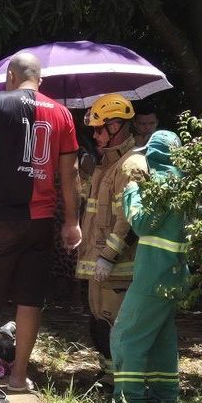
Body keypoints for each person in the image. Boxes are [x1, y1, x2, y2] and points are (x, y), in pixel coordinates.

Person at [0, 51, 82, 399]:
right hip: (39, 221)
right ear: (40, 80)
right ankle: (18, 377)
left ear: (11, 76)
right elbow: (69, 173)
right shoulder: (63, 114)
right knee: (29, 300)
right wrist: (71, 220)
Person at [110, 131, 189, 403]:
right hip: (175, 274)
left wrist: (133, 188)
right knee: (160, 340)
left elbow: (143, 224)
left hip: (154, 273)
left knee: (126, 336)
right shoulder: (185, 183)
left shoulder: (163, 184)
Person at [75, 93, 149, 384]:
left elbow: (129, 219)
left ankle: (125, 383)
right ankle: (109, 377)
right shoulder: (107, 164)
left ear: (116, 125)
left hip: (118, 267)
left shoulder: (131, 166)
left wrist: (108, 256)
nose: (95, 134)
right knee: (100, 325)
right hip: (99, 264)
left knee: (116, 326)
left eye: (99, 128)